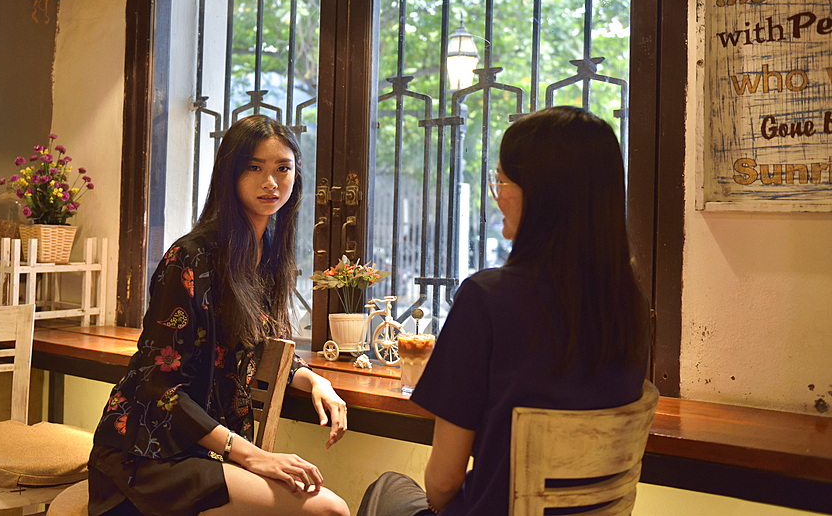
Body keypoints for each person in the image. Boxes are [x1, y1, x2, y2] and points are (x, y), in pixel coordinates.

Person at [358, 106, 651, 516]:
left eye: (501, 180)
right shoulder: (630, 306)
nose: (495, 194)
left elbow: (442, 483)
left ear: (541, 194)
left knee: (386, 489)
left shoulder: (485, 300)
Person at [89, 115, 350, 516]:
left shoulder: (268, 255)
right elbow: (158, 387)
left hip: (209, 451)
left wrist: (315, 380)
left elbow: (258, 343)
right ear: (231, 172)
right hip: (148, 456)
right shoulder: (190, 257)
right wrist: (250, 456)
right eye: (255, 167)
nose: (271, 182)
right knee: (328, 510)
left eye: (283, 168)